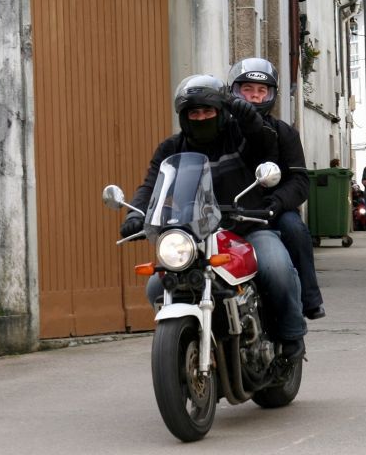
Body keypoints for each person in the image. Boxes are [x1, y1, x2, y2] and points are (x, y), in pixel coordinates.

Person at [119, 73, 307, 361]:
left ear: (220, 113)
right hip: (196, 236)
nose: (201, 117)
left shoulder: (239, 137)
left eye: (208, 111)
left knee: (276, 266)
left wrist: (249, 121)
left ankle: (292, 334)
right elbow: (152, 185)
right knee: (155, 286)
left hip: (248, 226)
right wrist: (138, 212)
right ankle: (185, 345)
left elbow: (263, 145)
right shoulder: (172, 148)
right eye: (194, 112)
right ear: (184, 116)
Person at [227, 57, 325, 320]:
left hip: (272, 209)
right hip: (229, 209)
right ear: (234, 91)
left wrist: (278, 201)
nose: (255, 98)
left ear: (271, 95)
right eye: (248, 90)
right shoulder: (224, 131)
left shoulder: (285, 133)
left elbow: (300, 181)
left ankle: (309, 298)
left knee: (294, 227)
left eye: (262, 91)